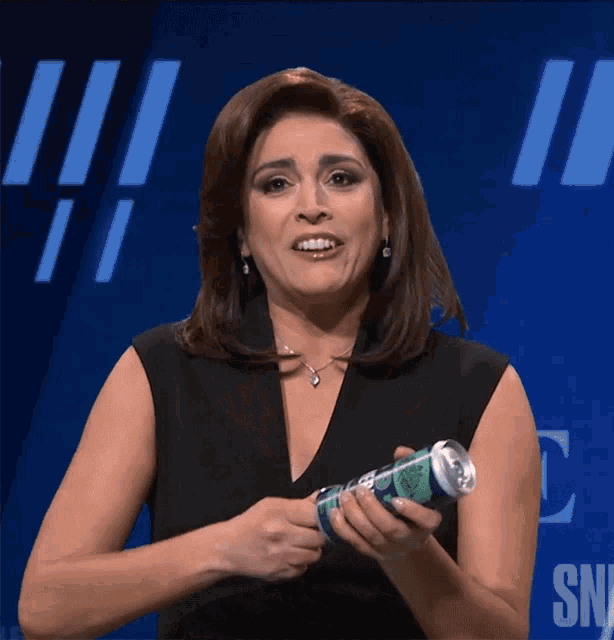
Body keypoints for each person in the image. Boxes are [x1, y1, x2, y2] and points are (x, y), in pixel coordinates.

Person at [18, 67, 540, 640]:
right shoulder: (159, 369)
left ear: (388, 215)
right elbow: (45, 607)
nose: (312, 206)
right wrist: (224, 548)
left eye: (341, 178)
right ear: (242, 230)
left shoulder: (479, 387)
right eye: (275, 184)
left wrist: (411, 558)